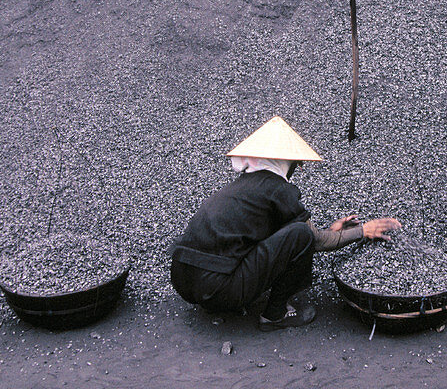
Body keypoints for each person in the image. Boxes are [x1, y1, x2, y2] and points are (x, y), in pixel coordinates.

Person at [170, 115, 401, 330]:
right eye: (295, 163)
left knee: (299, 233)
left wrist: (331, 231)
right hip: (221, 288)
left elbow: (278, 235)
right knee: (301, 234)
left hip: (185, 282)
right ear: (284, 162)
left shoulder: (243, 187)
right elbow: (311, 239)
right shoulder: (277, 189)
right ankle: (274, 315)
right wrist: (363, 231)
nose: (297, 168)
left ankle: (216, 302)